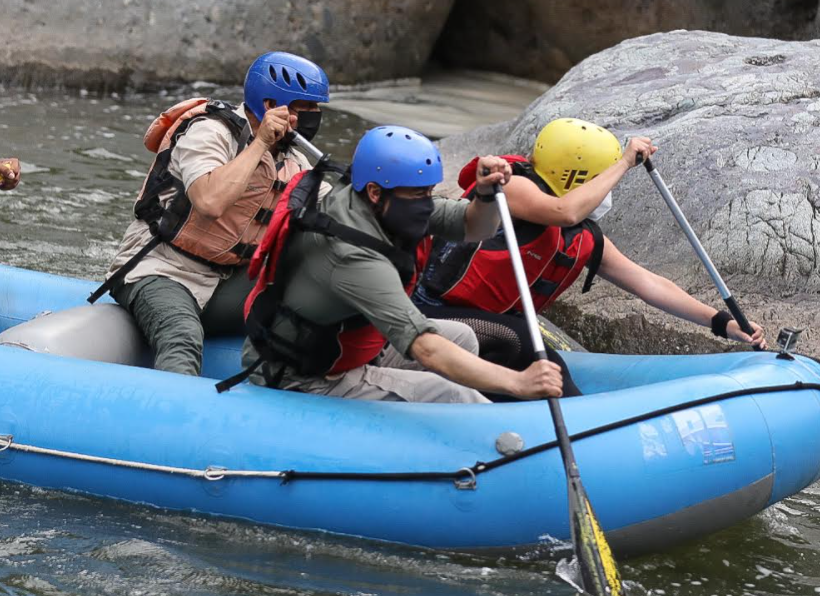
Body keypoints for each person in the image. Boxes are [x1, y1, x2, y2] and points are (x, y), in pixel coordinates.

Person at [414, 118, 767, 375]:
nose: (607, 191)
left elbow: (649, 285)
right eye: (603, 178)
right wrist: (625, 162)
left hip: (487, 321)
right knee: (525, 344)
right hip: (432, 310)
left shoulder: (584, 237)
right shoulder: (512, 188)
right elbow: (564, 211)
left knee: (531, 347)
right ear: (576, 178)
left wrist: (723, 323)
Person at [240, 125, 565, 403]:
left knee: (464, 337)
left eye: (430, 192)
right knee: (452, 395)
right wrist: (518, 383)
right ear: (375, 192)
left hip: (345, 347)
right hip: (304, 378)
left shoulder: (380, 203)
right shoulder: (352, 255)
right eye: (418, 194)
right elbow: (426, 349)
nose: (427, 203)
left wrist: (485, 195)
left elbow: (475, 227)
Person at [103, 51, 331, 376]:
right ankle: (174, 417)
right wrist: (261, 143)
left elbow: (331, 221)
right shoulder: (210, 131)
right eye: (304, 108)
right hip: (163, 269)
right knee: (181, 336)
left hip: (226, 280)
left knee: (313, 301)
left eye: (316, 109)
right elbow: (209, 201)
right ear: (270, 106)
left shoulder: (296, 160)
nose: (314, 117)